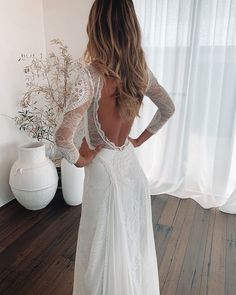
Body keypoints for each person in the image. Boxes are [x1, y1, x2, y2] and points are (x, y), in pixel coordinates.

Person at [54, 0, 175, 294]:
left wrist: (80, 160)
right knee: (130, 249)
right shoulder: (140, 71)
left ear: (96, 26)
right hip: (130, 170)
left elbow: (62, 136)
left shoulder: (90, 75)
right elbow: (167, 108)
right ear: (131, 26)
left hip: (104, 174)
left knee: (97, 257)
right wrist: (137, 140)